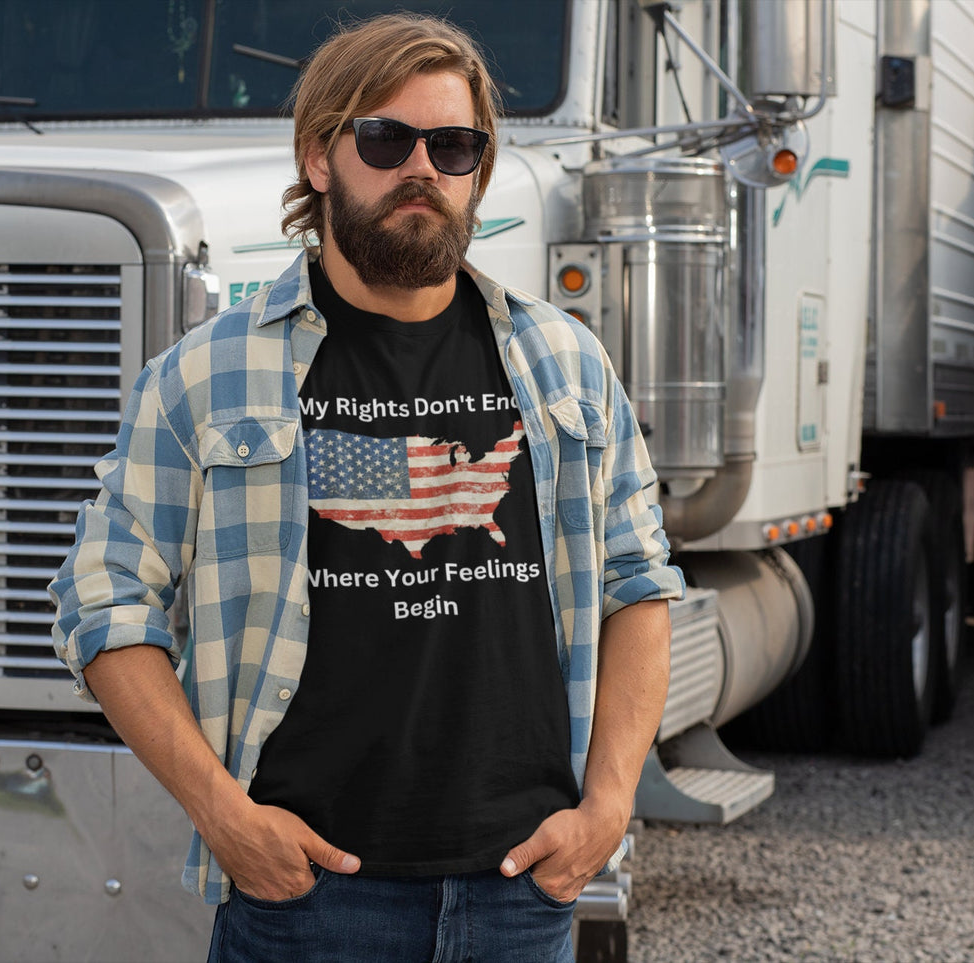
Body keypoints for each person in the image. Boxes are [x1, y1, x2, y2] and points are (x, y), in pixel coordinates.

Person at [50, 13, 684, 962]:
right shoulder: (206, 376)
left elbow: (638, 583)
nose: (421, 168)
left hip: (521, 897)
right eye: (386, 140)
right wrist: (226, 817)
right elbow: (101, 603)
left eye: (454, 145)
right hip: (307, 901)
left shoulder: (564, 363)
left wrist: (607, 803)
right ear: (319, 157)